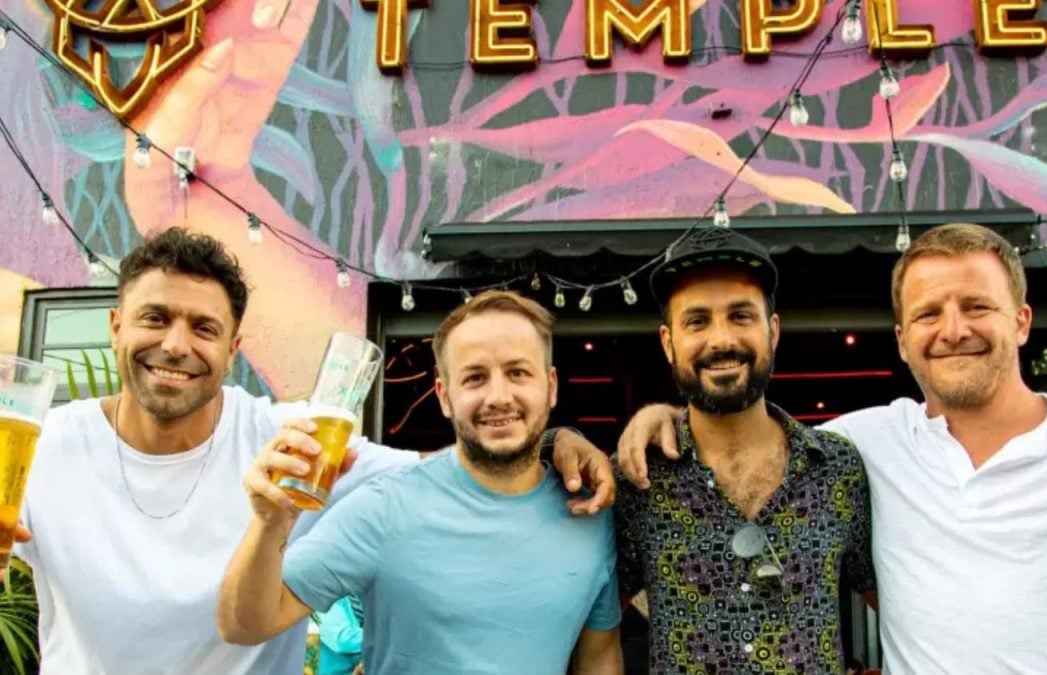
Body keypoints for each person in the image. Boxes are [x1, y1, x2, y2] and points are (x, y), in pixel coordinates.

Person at [10, 228, 615, 674]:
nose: (175, 345)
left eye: (204, 327)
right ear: (116, 325)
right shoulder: (35, 447)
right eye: (155, 318)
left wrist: (557, 439)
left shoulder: (296, 441)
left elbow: (455, 468)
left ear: (233, 347)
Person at [619, 223, 1047, 673]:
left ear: (1022, 322)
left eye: (977, 306)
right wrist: (657, 418)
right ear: (902, 339)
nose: (953, 330)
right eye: (928, 313)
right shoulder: (862, 447)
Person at [218, 290, 624, 674]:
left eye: (518, 373)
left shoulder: (589, 512)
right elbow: (243, 625)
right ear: (444, 396)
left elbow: (599, 655)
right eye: (475, 378)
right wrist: (269, 524)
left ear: (550, 387)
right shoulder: (385, 506)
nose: (498, 396)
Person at [613, 228, 874, 674]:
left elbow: (905, 611)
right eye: (697, 321)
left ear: (773, 331)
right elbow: (589, 628)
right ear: (668, 342)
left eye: (740, 316)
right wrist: (559, 439)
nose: (721, 340)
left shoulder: (838, 467)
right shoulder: (637, 479)